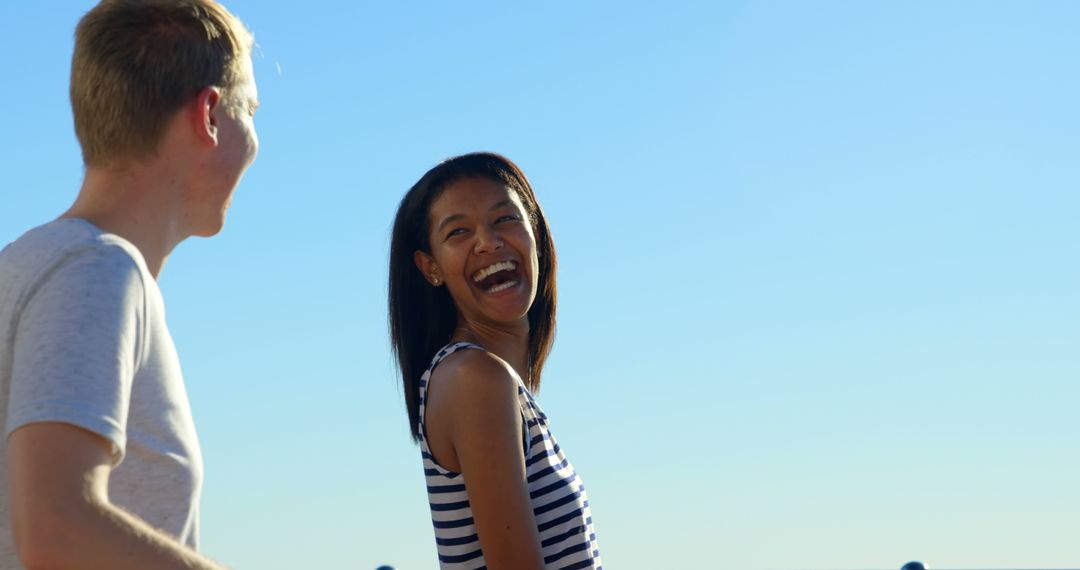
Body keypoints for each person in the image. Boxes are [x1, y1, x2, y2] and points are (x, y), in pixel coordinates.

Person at [0, 1, 258, 568]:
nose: (255, 143)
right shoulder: (97, 270)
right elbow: (55, 526)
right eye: (252, 113)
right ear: (210, 115)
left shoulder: (31, 264)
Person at [389, 152, 602, 569]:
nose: (488, 242)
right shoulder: (475, 378)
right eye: (458, 232)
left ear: (535, 234)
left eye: (505, 219)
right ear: (430, 267)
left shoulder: (483, 380)